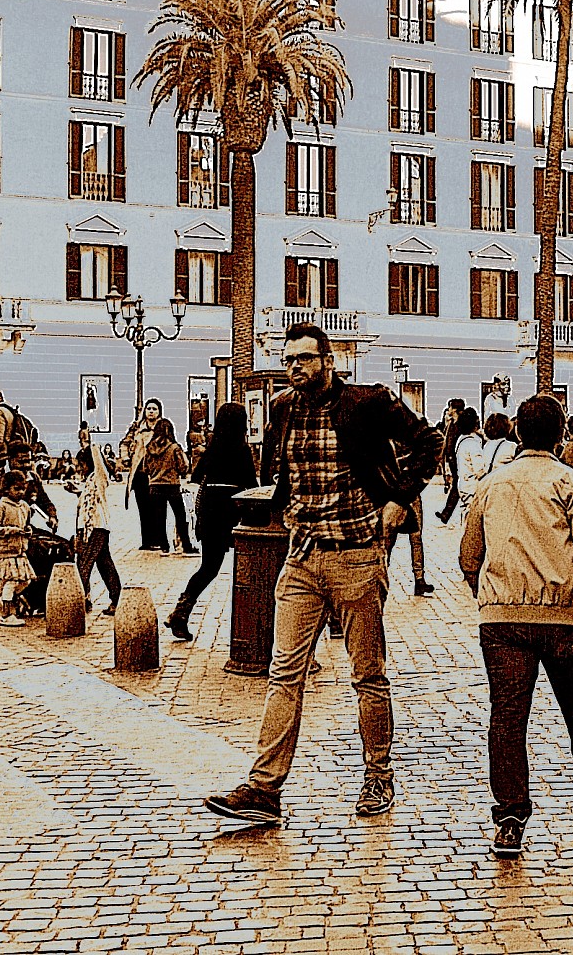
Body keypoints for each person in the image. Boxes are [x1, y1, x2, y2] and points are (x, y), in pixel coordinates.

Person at [204, 323, 443, 825]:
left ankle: (378, 776)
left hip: (356, 556)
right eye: (290, 359)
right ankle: (264, 789)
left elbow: (429, 441)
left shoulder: (367, 403)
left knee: (367, 675)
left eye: (305, 359)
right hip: (302, 558)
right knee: (283, 673)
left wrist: (401, 498)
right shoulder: (283, 410)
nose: (294, 367)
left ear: (327, 361)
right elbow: (281, 477)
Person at [461, 392, 573, 861]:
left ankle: (510, 817)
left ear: (517, 431)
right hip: (566, 619)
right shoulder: (571, 482)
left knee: (508, 716)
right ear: (560, 435)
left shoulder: (491, 485)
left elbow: (467, 555)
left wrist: (490, 589)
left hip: (503, 621)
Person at [169, 402, 254, 642]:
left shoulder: (213, 449)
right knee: (250, 569)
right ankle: (249, 625)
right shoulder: (242, 450)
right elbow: (251, 484)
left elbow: (197, 476)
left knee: (209, 568)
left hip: (210, 513)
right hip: (234, 514)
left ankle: (181, 611)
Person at [69, 432, 123, 617]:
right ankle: (116, 598)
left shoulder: (99, 478)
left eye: (81, 465)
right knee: (104, 564)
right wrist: (76, 490)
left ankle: (81, 599)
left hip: (96, 528)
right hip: (87, 528)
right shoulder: (89, 482)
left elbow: (99, 463)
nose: (79, 469)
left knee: (83, 564)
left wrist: (90, 445)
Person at [0, 473, 41, 626]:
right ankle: (5, 614)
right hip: (5, 551)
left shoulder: (24, 506)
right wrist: (11, 530)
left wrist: (28, 531)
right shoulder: (0, 506)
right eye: (16, 489)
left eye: (23, 489)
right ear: (6, 489)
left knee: (25, 580)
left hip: (20, 550)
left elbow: (27, 524)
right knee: (11, 581)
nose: (21, 492)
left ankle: (13, 600)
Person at [134, 418, 193, 556]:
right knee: (180, 516)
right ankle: (187, 545)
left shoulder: (149, 447)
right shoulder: (174, 448)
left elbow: (145, 468)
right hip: (172, 486)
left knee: (159, 518)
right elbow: (183, 467)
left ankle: (164, 547)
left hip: (154, 486)